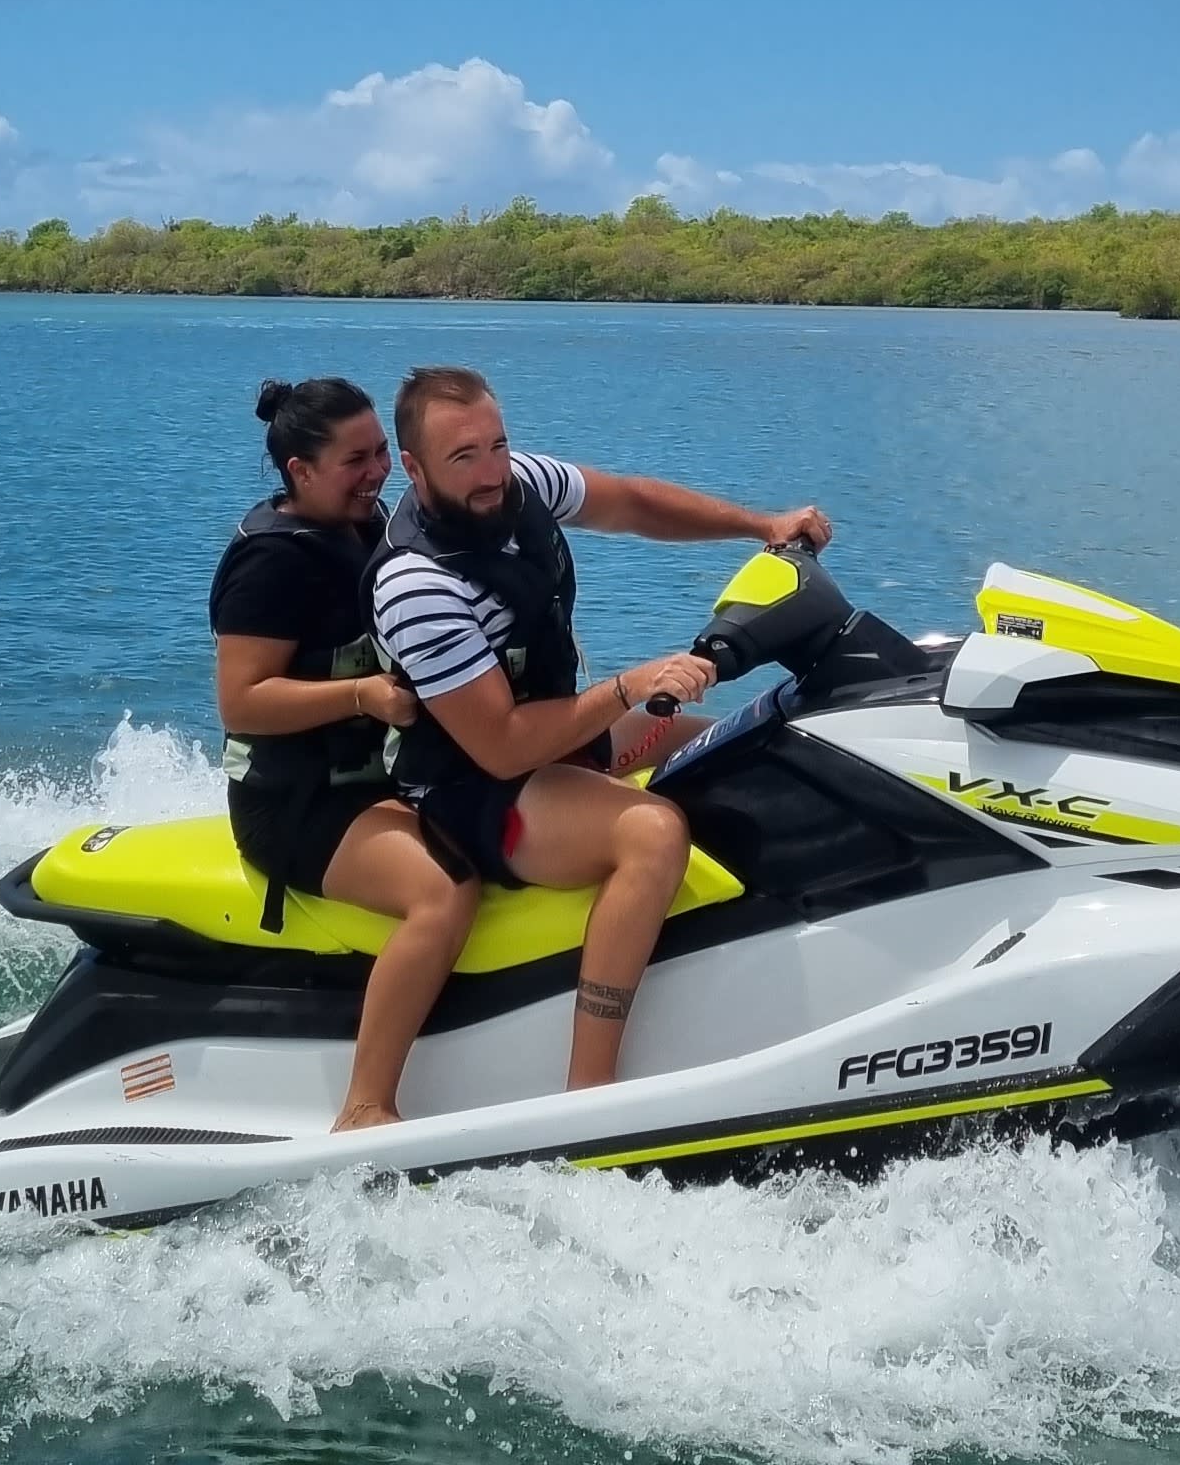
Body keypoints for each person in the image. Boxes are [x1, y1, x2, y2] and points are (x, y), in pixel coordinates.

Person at [370, 365, 833, 1091]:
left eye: (497, 444)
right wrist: (628, 686)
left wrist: (759, 525)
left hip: (555, 741)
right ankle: (589, 1092)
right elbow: (500, 748)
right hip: (470, 789)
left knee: (747, 738)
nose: (492, 471)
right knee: (651, 834)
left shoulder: (515, 483)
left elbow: (630, 503)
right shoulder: (416, 585)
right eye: (464, 457)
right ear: (413, 466)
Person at [210, 376, 479, 1132]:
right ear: (300, 471)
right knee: (443, 892)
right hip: (297, 806)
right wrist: (361, 696)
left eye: (383, 452)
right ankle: (365, 1105)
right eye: (355, 460)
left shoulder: (368, 528)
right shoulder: (270, 563)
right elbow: (241, 700)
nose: (378, 472)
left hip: (380, 778)